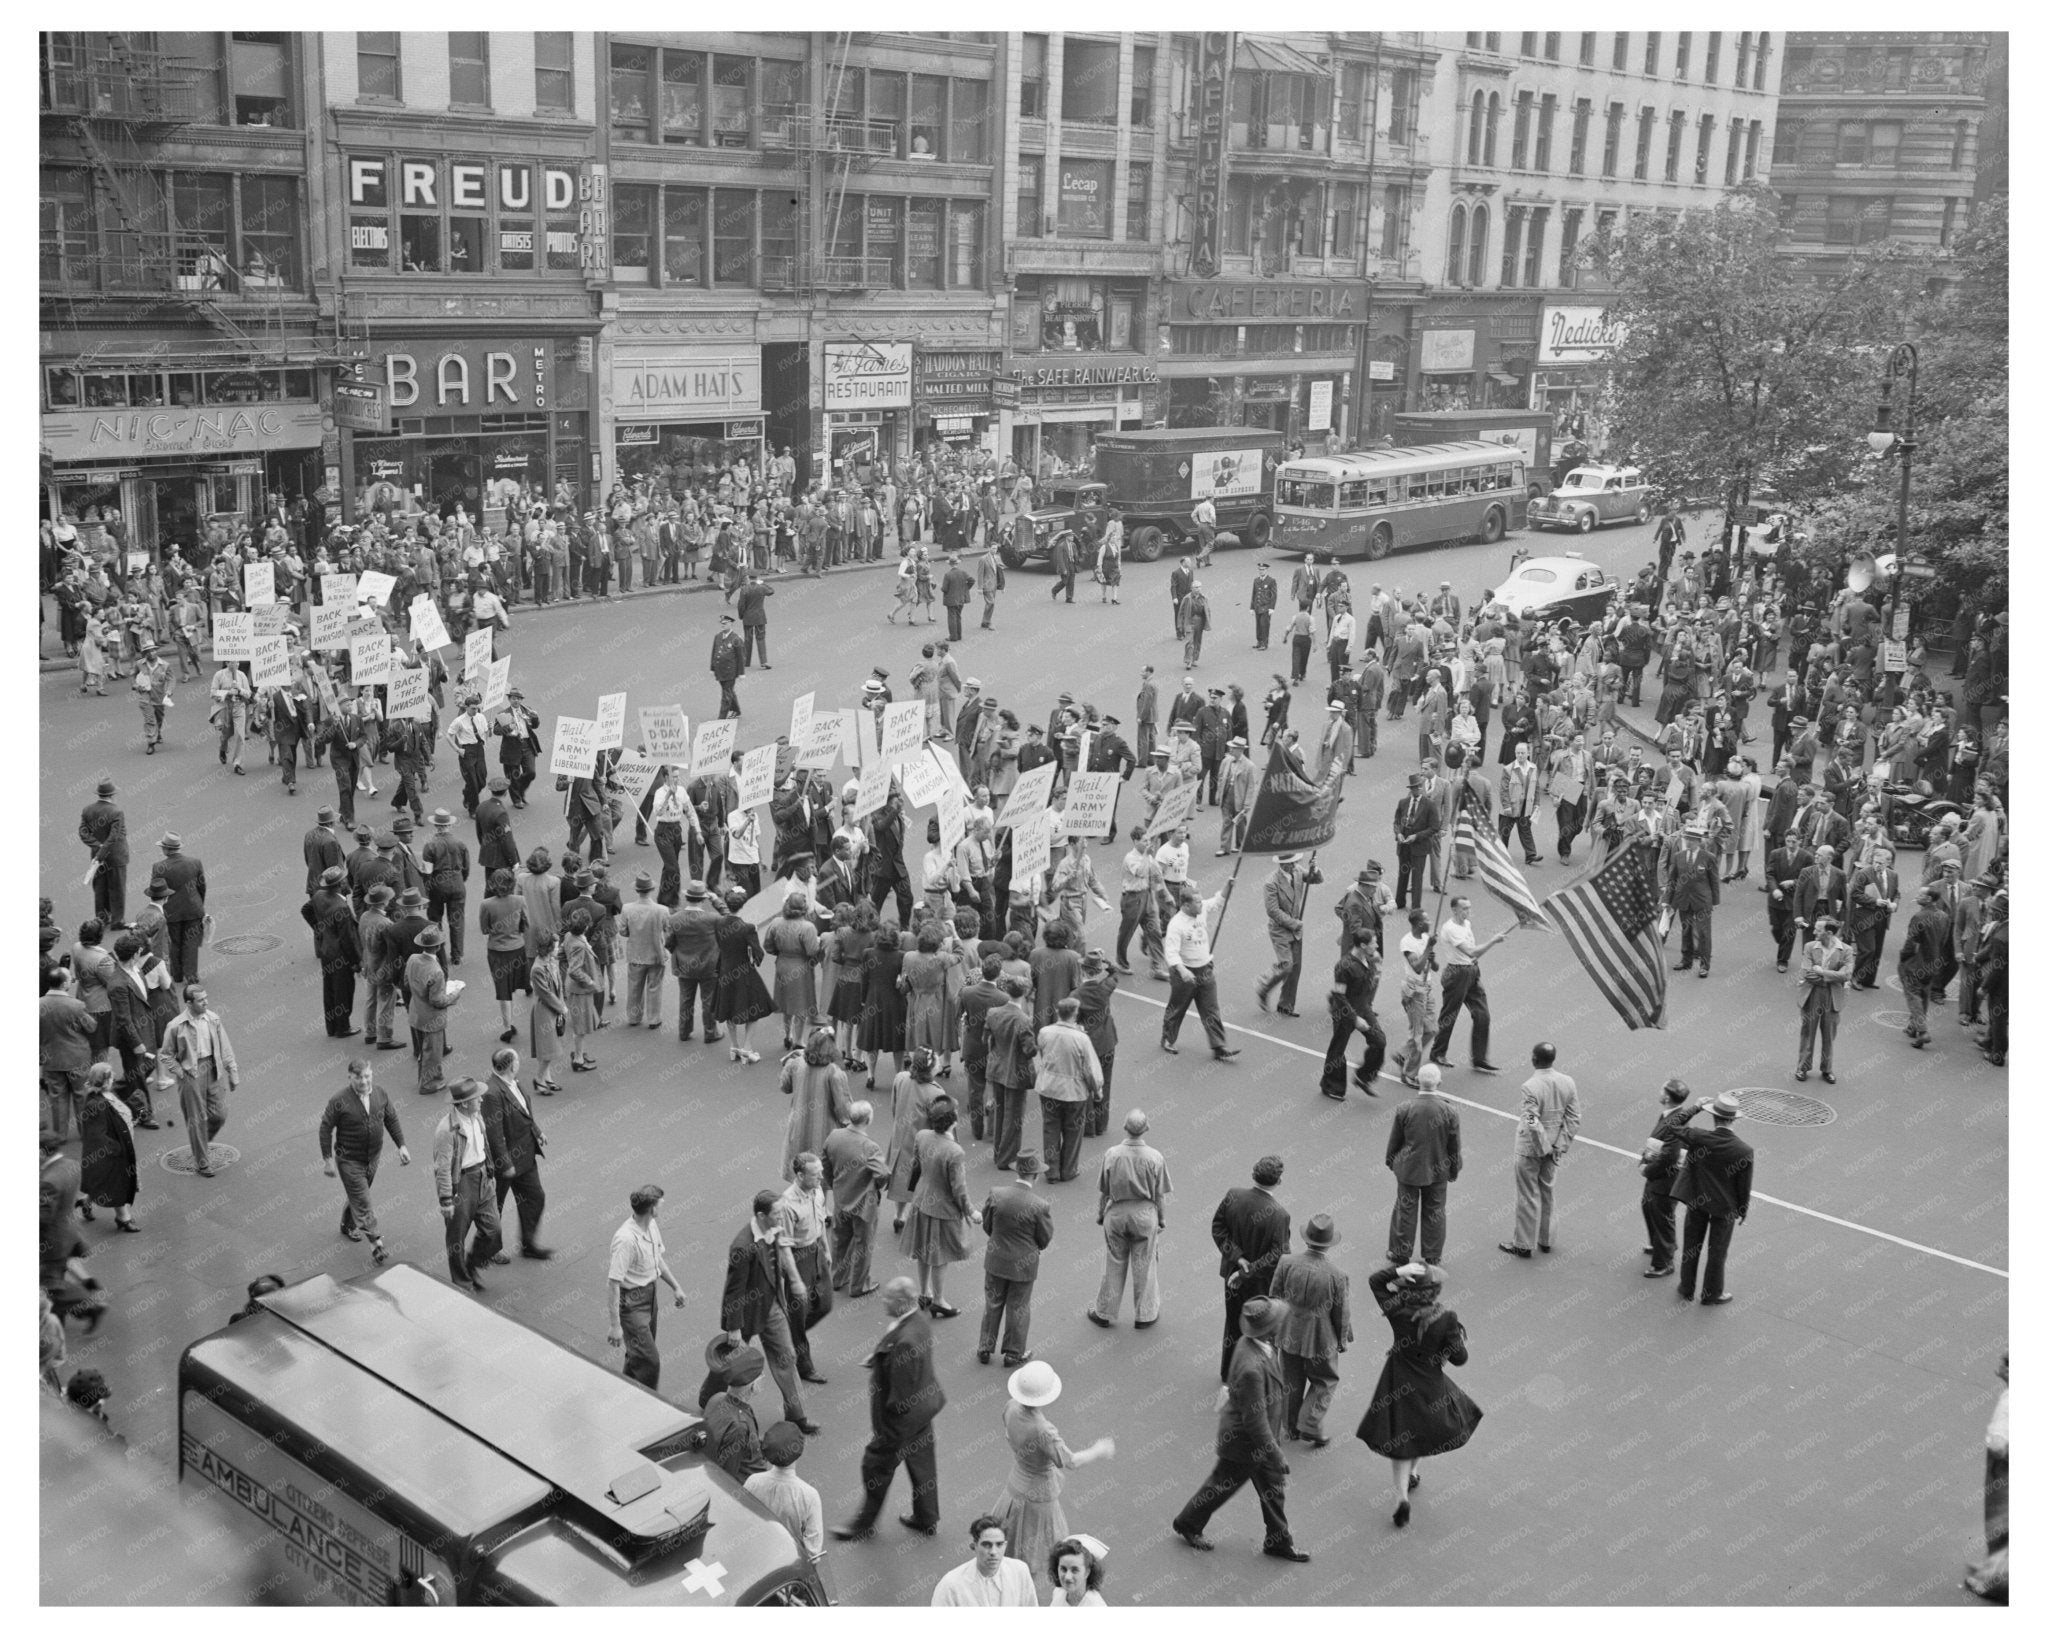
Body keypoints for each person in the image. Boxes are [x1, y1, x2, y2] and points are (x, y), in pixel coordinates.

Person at [1170, 1296, 1308, 1562]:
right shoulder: (1252, 1369)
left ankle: (1278, 1541)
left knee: (1271, 1489)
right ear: (1269, 1329)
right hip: (1245, 1443)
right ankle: (1187, 1523)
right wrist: (1277, 1454)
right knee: (1223, 1485)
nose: (1283, 1323)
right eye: (1279, 1321)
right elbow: (1255, 1422)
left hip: (1254, 1439)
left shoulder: (1255, 1343)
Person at [1356, 1262, 1483, 1527]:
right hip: (1430, 1381)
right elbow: (1460, 1359)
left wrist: (1397, 1272)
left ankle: (1402, 1496)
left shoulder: (1397, 1310)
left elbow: (1375, 1282)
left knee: (1402, 1435)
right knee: (1423, 1427)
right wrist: (1454, 1341)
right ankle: (1414, 1472)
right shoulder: (1446, 1318)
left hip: (1397, 1378)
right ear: (1433, 1291)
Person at [832, 1276, 947, 1542]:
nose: (882, 1301)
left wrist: (887, 1430)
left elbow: (900, 1397)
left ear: (901, 1303)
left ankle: (863, 1524)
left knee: (875, 1466)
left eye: (887, 1298)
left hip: (900, 1422)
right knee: (923, 1464)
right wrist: (880, 1358)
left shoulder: (905, 1343)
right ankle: (926, 1517)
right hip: (924, 1408)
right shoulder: (918, 1320)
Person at [988, 1361, 1115, 1597]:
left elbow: (1008, 1433)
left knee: (1010, 1543)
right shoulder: (1043, 1430)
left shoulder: (1010, 1407)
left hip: (1015, 1485)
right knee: (1035, 1552)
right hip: (1039, 1495)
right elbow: (1071, 1461)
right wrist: (1098, 1450)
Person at [722, 1188, 819, 1432]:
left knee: (787, 1357)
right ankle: (712, 1401)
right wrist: (734, 1328)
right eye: (777, 1213)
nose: (781, 1216)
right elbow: (734, 1290)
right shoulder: (743, 1246)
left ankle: (797, 1416)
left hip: (772, 1307)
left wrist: (793, 1280)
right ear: (762, 1215)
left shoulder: (773, 1229)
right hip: (746, 1314)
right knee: (733, 1364)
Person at [1652, 1091, 1753, 1306]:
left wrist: (1695, 1108)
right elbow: (1744, 1187)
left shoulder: (1698, 1136)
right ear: (1733, 1119)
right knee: (1717, 1252)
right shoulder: (1744, 1150)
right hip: (1724, 1208)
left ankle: (1686, 1287)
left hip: (1697, 1201)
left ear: (1714, 1117)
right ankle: (1712, 1293)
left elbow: (1670, 1126)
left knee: (1692, 1247)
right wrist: (1742, 1211)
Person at [1271, 1215, 1353, 1448]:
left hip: (1288, 1329)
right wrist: (1342, 1340)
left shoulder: (1286, 1262)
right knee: (1325, 1379)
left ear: (1306, 1239)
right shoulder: (1337, 1275)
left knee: (1290, 1378)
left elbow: (1274, 1296)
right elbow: (1341, 1313)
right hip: (1321, 1335)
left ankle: (1290, 1425)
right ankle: (1309, 1423)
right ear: (1328, 1244)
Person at [318, 1058, 409, 1266]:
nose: (364, 1081)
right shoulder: (339, 1100)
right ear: (350, 1077)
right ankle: (376, 1243)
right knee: (363, 1199)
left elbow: (391, 1118)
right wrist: (327, 1159)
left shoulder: (380, 1094)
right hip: (349, 1160)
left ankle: (347, 1224)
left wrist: (401, 1145)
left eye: (367, 1076)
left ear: (372, 1075)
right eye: (358, 1077)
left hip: (372, 1157)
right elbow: (325, 1128)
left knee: (358, 1194)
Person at [1210, 1155, 1292, 1381]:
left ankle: (1229, 1372)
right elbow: (1277, 1255)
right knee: (1260, 1328)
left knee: (1233, 1322)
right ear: (1279, 1182)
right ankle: (1251, 1376)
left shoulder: (1233, 1195)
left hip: (1231, 1276)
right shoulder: (1279, 1215)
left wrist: (1237, 1258)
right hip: (1259, 1282)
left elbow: (1218, 1227)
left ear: (1253, 1174)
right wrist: (1248, 1270)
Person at [1498, 1042, 1581, 1258]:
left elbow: (1532, 1121)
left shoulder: (1530, 1086)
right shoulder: (1568, 1082)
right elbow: (1573, 1118)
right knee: (1547, 1191)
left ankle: (1524, 1243)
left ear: (1534, 1059)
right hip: (1554, 1148)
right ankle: (1546, 1239)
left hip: (1531, 1149)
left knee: (1527, 1195)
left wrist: (1543, 1147)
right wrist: (1558, 1146)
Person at [977, 1150, 1054, 1367]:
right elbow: (1045, 1237)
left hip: (996, 1259)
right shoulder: (1040, 1205)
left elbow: (987, 1224)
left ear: (1018, 1171)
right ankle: (1013, 1352)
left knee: (993, 1302)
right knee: (1018, 1306)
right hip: (1023, 1265)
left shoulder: (996, 1194)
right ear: (1035, 1175)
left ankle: (985, 1347)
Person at [606, 1183, 687, 1388]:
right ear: (652, 1208)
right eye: (660, 1204)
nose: (661, 1207)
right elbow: (613, 1283)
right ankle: (650, 1405)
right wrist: (615, 1326)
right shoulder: (626, 1240)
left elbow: (656, 1259)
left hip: (650, 1297)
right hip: (632, 1305)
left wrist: (676, 1287)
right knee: (650, 1361)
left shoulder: (650, 1226)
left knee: (637, 1356)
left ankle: (626, 1391)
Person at [158, 983, 238, 1177]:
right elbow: (166, 1054)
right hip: (190, 1074)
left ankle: (201, 1141)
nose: (206, 1002)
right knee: (196, 1119)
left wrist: (232, 1071)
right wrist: (179, 1072)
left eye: (206, 998)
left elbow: (224, 1046)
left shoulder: (213, 1019)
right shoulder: (176, 1026)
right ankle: (203, 1163)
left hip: (212, 1068)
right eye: (201, 1000)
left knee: (219, 1114)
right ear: (188, 1003)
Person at [430, 1078, 502, 1292]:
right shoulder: (446, 1130)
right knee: (456, 1237)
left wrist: (489, 1171)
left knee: (493, 1231)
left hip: (483, 1178)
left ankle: (472, 1265)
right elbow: (442, 1168)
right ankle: (462, 1283)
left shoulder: (476, 1116)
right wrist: (445, 1200)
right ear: (463, 1104)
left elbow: (484, 1145)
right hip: (461, 1184)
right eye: (475, 1098)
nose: (481, 1099)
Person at [1384, 1062, 1460, 1264]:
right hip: (1438, 1169)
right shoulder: (1450, 1111)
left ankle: (1400, 1253)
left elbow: (1395, 1140)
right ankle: (1433, 1255)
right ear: (1439, 1083)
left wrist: (1391, 1161)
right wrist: (1454, 1169)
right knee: (1435, 1211)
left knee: (1405, 1210)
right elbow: (1454, 1145)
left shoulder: (1405, 1108)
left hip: (1409, 1168)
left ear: (1417, 1081)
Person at [910, 1100, 979, 1318]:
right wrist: (971, 1212)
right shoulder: (954, 1151)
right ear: (953, 1121)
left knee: (922, 1251)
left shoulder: (922, 1136)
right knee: (940, 1256)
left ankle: (924, 1293)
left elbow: (916, 1166)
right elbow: (959, 1189)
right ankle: (939, 1300)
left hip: (921, 1201)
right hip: (942, 1210)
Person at [481, 1046, 552, 1259]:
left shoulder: (514, 1083)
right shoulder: (492, 1093)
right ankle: (490, 1250)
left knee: (534, 1197)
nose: (519, 1064)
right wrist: (506, 1163)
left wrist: (537, 1131)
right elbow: (495, 1134)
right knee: (495, 1208)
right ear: (511, 1066)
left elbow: (524, 1112)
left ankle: (528, 1244)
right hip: (506, 1163)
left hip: (526, 1156)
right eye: (517, 1061)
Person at [774, 1154, 836, 1386]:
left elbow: (820, 1223)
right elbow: (784, 1245)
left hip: (817, 1251)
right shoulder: (787, 1204)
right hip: (798, 1258)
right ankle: (804, 1365)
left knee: (825, 1304)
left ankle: (788, 1336)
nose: (821, 1176)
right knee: (799, 1314)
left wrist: (826, 1250)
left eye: (820, 1171)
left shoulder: (817, 1191)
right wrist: (794, 1279)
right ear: (799, 1176)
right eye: (815, 1173)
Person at [1161, 880, 1240, 1060]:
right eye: (1197, 902)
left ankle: (1219, 1046)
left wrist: (1228, 884)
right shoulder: (1176, 924)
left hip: (1205, 969)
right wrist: (1182, 971)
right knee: (1177, 1008)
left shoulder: (1201, 908)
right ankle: (1167, 1038)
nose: (1201, 904)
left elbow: (1218, 901)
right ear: (1186, 905)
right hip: (1185, 973)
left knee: (1211, 1009)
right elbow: (1171, 953)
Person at [1429, 896, 1506, 1072]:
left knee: (1482, 1015)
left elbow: (1474, 955)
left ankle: (1479, 1058)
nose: (1468, 912)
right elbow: (1471, 951)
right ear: (1454, 910)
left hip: (1471, 971)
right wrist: (1493, 941)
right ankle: (1437, 1052)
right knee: (1449, 1016)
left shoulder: (1466, 925)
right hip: (1457, 974)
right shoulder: (1451, 929)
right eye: (1464, 908)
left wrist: (1475, 964)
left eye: (1469, 908)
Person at [1963, 1351, 2011, 1603]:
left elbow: (1999, 1444)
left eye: (2004, 1364)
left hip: (2005, 1468)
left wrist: (1998, 1446)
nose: (1998, 1369)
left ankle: (1996, 1582)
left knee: (2002, 1523)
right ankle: (1992, 1569)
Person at [745, 1421, 826, 1566]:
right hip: (790, 1565)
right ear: (799, 1451)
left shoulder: (752, 1482)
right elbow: (813, 1553)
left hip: (756, 1559)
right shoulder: (809, 1495)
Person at [1638, 1077, 1691, 1278]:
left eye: (1662, 1090)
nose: (1659, 1092)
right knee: (1648, 1207)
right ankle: (1660, 1244)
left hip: (1664, 1180)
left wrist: (1647, 1170)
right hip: (1659, 1178)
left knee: (1662, 1217)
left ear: (1667, 1097)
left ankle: (1664, 1262)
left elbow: (1668, 1158)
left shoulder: (1674, 1122)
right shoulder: (1675, 1114)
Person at [78, 1065, 140, 1235]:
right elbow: (97, 1135)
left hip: (118, 1149)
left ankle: (86, 1201)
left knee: (104, 1183)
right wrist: (116, 1148)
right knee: (117, 1185)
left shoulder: (105, 1095)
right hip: (111, 1154)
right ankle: (123, 1218)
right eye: (110, 1077)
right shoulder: (95, 1105)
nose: (113, 1079)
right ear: (105, 1081)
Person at [931, 1515, 1038, 1606]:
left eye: (999, 1544)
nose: (993, 1552)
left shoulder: (1020, 1571)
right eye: (987, 1545)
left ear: (1005, 1546)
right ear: (974, 1546)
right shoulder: (951, 1586)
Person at [1795, 916, 1853, 1083]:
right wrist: (1834, 976)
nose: (1813, 932)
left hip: (1832, 997)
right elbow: (1807, 973)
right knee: (1808, 1032)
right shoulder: (1810, 947)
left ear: (1828, 933)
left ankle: (1827, 1069)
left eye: (1818, 930)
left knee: (1829, 1034)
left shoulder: (1846, 950)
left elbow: (1847, 975)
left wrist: (1822, 972)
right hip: (1812, 994)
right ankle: (1803, 1067)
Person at [405, 925, 458, 1097]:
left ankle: (426, 1077)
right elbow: (437, 1000)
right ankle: (428, 1083)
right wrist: (454, 995)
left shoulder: (412, 959)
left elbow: (407, 982)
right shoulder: (436, 971)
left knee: (424, 1051)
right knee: (432, 1053)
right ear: (439, 946)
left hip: (416, 1013)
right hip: (432, 1018)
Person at [148, 833, 208, 985]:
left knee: (174, 943)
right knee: (191, 943)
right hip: (193, 909)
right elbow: (202, 886)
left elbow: (156, 891)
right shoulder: (195, 862)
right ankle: (191, 976)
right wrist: (199, 903)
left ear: (167, 849)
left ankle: (178, 975)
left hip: (171, 911)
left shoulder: (159, 867)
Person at [79, 779, 128, 931]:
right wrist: (103, 851)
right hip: (115, 856)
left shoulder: (88, 810)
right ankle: (117, 920)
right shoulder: (116, 812)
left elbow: (83, 832)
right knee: (117, 888)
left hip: (97, 857)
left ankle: (101, 919)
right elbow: (113, 837)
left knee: (100, 887)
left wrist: (98, 847)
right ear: (112, 795)